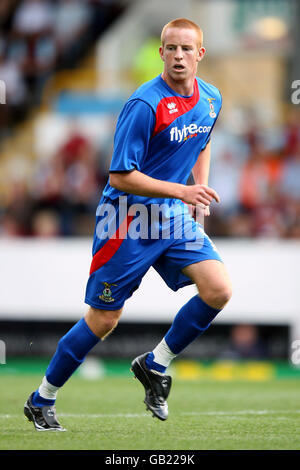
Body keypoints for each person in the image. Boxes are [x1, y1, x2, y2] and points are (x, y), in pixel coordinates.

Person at [24, 18, 232, 431]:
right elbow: (119, 175)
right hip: (126, 220)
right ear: (160, 53)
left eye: (186, 49)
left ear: (200, 54)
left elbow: (204, 140)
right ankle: (40, 399)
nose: (178, 56)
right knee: (104, 319)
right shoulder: (144, 104)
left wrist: (200, 190)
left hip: (170, 216)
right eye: (171, 48)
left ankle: (156, 364)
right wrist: (182, 192)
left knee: (219, 289)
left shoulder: (211, 97)